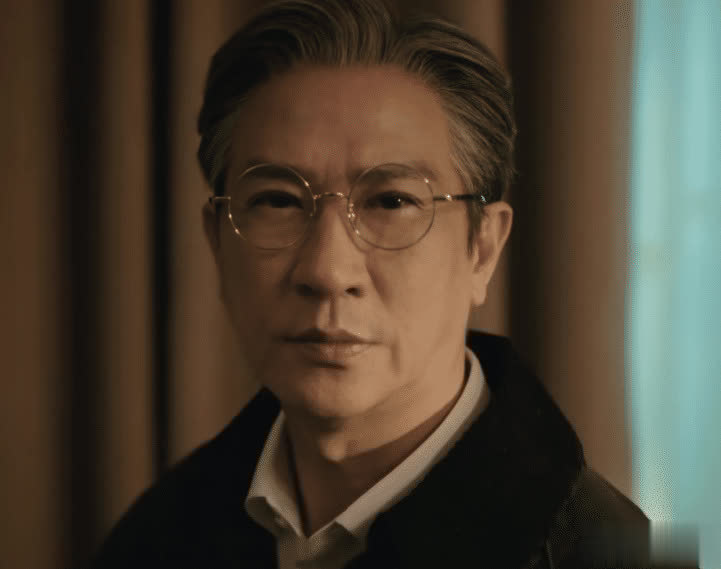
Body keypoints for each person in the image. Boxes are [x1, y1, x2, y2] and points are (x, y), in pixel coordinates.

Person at [88, 1, 696, 568]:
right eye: (278, 200)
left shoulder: (611, 553)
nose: (327, 271)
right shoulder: (155, 535)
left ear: (482, 249)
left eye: (392, 201)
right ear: (217, 242)